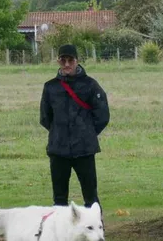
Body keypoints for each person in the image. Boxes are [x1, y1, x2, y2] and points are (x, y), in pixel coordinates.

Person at [40, 43, 110, 216]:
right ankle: (60, 236)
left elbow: (102, 115)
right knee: (59, 199)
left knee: (91, 197)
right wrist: (59, 132)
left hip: (84, 150)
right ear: (58, 61)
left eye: (70, 60)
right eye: (63, 60)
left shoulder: (91, 85)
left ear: (77, 61)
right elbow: (45, 117)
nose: (66, 64)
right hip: (58, 149)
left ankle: (97, 236)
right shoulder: (50, 87)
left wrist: (86, 132)